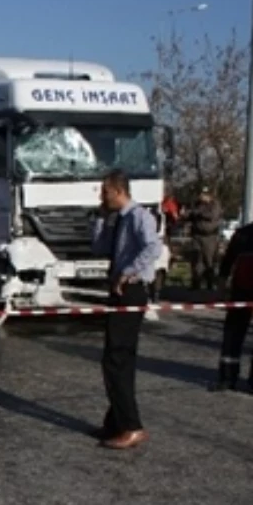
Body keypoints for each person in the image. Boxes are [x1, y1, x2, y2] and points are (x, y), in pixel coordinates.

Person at [90, 169, 162, 449]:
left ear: (119, 191)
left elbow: (153, 248)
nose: (102, 196)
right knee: (115, 357)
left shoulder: (139, 216)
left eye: (105, 191)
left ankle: (131, 425)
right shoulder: (117, 219)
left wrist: (129, 273)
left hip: (130, 290)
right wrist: (99, 220)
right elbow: (99, 249)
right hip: (117, 291)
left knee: (117, 358)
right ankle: (116, 420)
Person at [210, 196, 253, 394]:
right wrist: (221, 288)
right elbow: (227, 262)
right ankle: (227, 377)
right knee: (232, 336)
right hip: (241, 291)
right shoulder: (243, 235)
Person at [187, 187, 222, 290]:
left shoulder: (215, 205)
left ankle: (210, 284)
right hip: (197, 235)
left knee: (209, 261)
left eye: (204, 194)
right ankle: (196, 283)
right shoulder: (197, 204)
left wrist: (198, 213)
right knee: (197, 260)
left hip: (209, 237)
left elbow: (212, 216)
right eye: (201, 194)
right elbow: (190, 215)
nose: (202, 196)